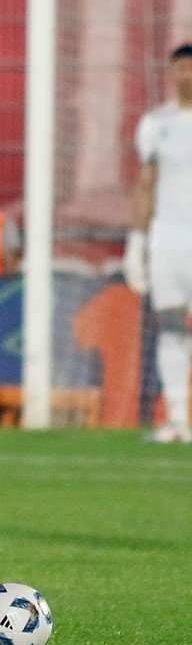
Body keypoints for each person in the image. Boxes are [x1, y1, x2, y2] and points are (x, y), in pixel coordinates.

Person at [123, 43, 192, 443]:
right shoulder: (156, 123)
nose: (185, 75)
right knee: (170, 325)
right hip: (168, 239)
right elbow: (145, 184)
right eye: (179, 68)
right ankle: (178, 420)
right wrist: (137, 242)